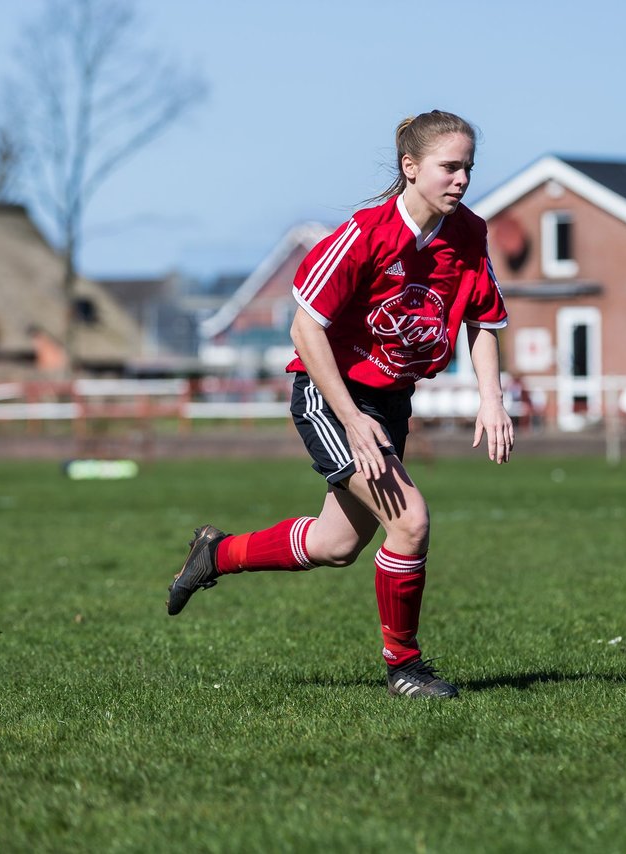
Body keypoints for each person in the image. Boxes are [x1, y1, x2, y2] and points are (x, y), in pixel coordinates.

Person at [166, 110, 513, 699]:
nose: (461, 179)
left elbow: (483, 319)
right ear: (410, 166)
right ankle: (405, 667)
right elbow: (306, 330)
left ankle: (215, 554)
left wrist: (491, 398)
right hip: (332, 400)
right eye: (449, 167)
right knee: (411, 522)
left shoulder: (469, 234)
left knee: (336, 545)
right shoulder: (365, 234)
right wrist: (350, 420)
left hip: (389, 402)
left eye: (468, 168)